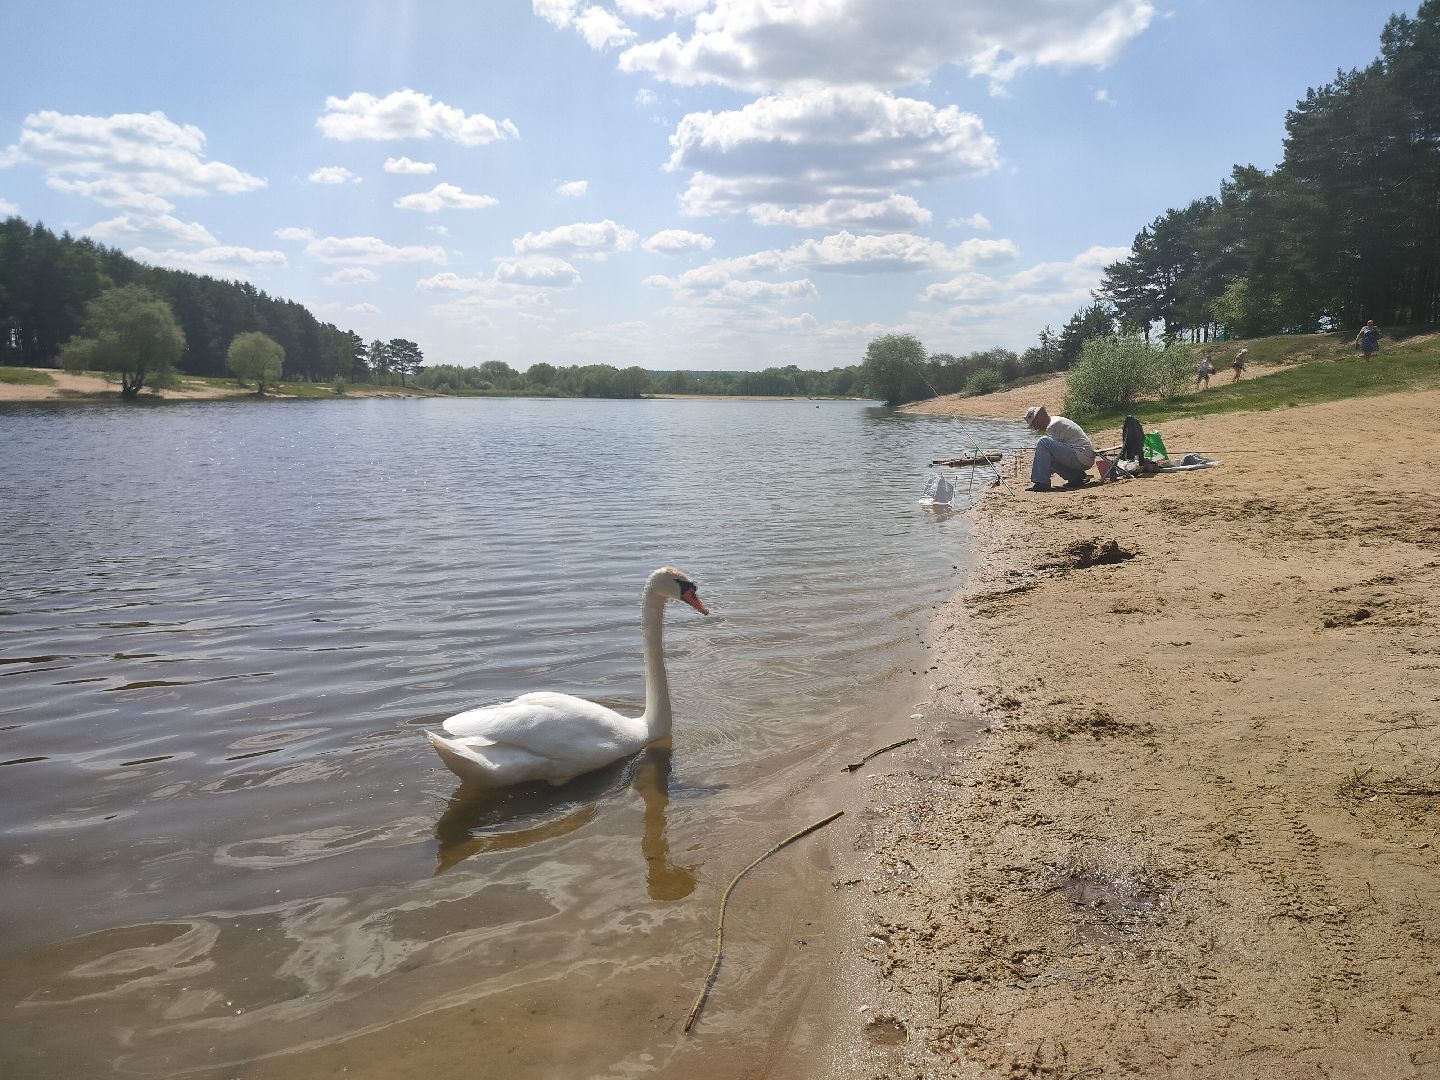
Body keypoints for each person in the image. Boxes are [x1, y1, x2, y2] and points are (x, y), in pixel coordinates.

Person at [1023, 405, 1095, 492]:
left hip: (1081, 457)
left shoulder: (1053, 425)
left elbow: (1053, 453)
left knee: (1043, 442)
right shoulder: (1055, 421)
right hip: (1083, 457)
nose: (1035, 428)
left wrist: (1043, 468)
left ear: (1038, 419)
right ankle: (1076, 477)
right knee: (1047, 454)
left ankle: (1042, 483)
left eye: (1033, 424)